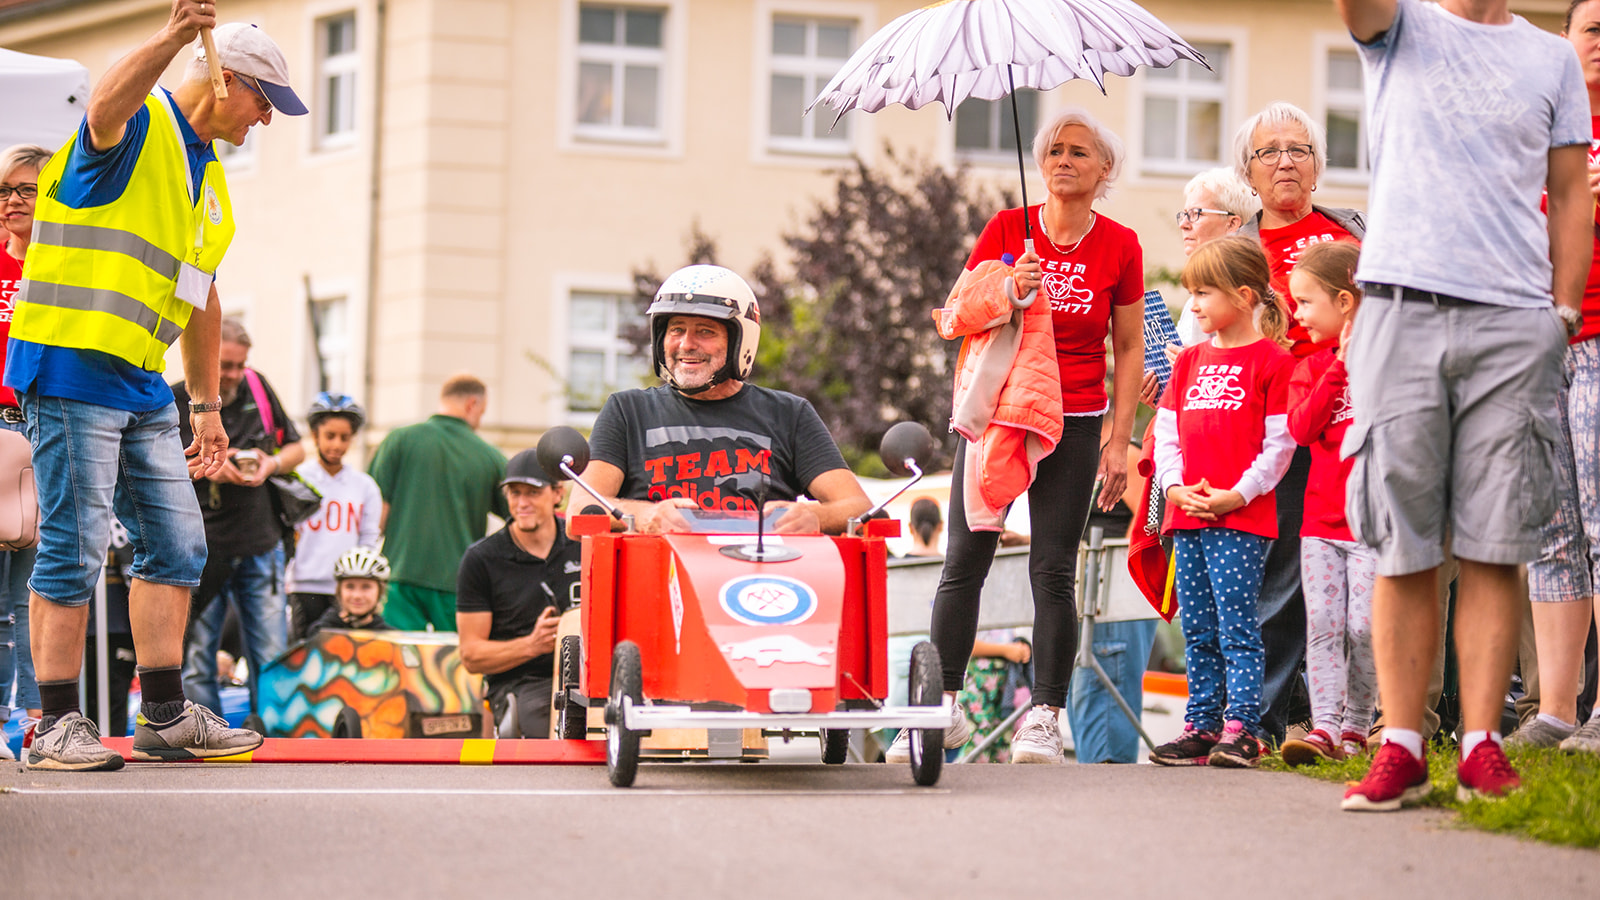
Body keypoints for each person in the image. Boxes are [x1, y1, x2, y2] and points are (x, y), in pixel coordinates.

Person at [5, 10, 307, 770]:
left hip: (141, 382)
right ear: (225, 80)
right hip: (70, 363)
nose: (267, 117)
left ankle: (166, 715)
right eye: (264, 98)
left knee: (178, 544)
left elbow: (200, 297)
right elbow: (102, 109)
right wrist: (172, 36)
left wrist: (205, 406)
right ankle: (54, 725)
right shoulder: (139, 126)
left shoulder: (211, 181)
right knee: (72, 548)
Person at [1335, 0, 1590, 809]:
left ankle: (1482, 747)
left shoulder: (1551, 59)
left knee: (1495, 539)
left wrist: (1561, 313)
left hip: (1514, 321)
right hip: (1402, 308)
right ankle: (1403, 747)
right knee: (1402, 539)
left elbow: (1570, 191)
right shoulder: (1400, 24)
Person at [911, 107, 1145, 766]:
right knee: (964, 561)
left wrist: (1117, 441)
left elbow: (1129, 347)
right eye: (1055, 150)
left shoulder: (1121, 244)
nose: (1064, 160)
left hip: (1076, 420)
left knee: (1053, 569)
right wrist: (1008, 288)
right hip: (1000, 416)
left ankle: (1043, 717)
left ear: (1105, 169)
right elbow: (956, 313)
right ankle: (942, 708)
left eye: (1080, 152)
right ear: (1040, 163)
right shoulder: (1008, 228)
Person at [1234, 101, 1368, 746]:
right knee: (1283, 581)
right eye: (1269, 152)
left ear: (1318, 165)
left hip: (1359, 426)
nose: (1285, 161)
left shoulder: (1353, 232)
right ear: (1248, 172)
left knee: (1370, 584)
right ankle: (1264, 722)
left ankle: (1359, 721)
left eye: (1299, 149)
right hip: (1281, 427)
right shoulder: (1238, 249)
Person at [1149, 236, 1296, 768]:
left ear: (1243, 295)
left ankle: (1243, 728)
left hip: (1240, 519)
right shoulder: (1189, 361)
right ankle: (1203, 724)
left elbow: (1279, 446)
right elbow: (1167, 436)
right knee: (1197, 627)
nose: (1192, 305)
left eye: (1203, 293)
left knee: (1237, 625)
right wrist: (1174, 487)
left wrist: (1237, 494)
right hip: (1186, 515)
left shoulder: (1273, 362)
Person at [584, 264, 870, 535]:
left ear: (739, 342)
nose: (686, 344)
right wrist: (646, 515)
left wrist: (815, 517)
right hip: (655, 569)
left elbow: (860, 509)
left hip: (759, 569)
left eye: (705, 331)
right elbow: (581, 511)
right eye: (676, 329)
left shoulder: (789, 415)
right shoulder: (627, 411)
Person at [1515, 0, 1600, 756]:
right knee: (1551, 533)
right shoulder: (1535, 123)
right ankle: (1557, 711)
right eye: (1594, 29)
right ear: (1563, 41)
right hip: (1538, 345)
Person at [172, 318, 303, 717]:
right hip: (202, 551)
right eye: (224, 366)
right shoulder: (175, 398)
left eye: (239, 365)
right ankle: (205, 732)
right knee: (199, 657)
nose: (233, 375)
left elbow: (297, 449)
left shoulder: (258, 388)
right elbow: (157, 469)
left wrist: (270, 463)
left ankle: (274, 734)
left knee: (271, 654)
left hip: (261, 545)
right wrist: (209, 465)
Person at [1280, 241, 1377, 765]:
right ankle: (1325, 728)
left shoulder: (1386, 362)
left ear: (1344, 301)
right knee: (1322, 626)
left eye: (1305, 302)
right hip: (1320, 526)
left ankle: (1357, 726)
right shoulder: (1312, 367)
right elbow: (1301, 428)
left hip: (1372, 527)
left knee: (1364, 627)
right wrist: (1339, 368)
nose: (1297, 315)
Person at [368, 373, 507, 632]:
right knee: (453, 655)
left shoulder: (398, 440)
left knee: (400, 652)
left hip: (400, 577)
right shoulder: (490, 457)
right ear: (472, 405)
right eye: (482, 413)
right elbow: (518, 518)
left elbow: (376, 516)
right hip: (459, 583)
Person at [456, 450, 581, 738]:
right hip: (522, 683)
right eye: (514, 493)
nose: (522, 503)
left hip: (589, 677)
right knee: (541, 726)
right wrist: (532, 645)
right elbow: (471, 655)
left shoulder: (584, 542)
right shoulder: (481, 559)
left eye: (533, 492)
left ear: (557, 493)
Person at [0, 143, 51, 756]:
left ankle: (42, 720)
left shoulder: (64, 263)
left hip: (45, 428)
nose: (13, 200)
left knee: (36, 591)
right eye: (5, 190)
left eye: (26, 189)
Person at [286, 392, 382, 642]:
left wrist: (360, 583)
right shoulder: (298, 479)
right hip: (304, 585)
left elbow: (369, 539)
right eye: (330, 436)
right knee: (305, 650)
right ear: (314, 435)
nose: (337, 445)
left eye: (344, 437)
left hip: (346, 590)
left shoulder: (365, 486)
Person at [306, 547, 392, 638]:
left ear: (380, 591)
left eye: (366, 587)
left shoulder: (390, 639)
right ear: (339, 591)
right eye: (350, 586)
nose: (357, 595)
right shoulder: (319, 634)